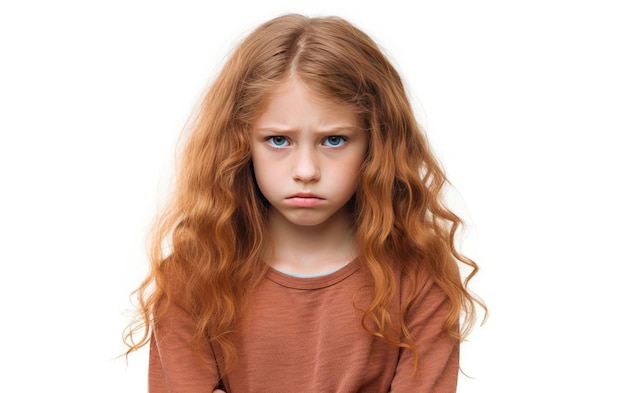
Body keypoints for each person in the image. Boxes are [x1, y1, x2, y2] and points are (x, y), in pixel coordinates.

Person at [124, 13, 486, 392]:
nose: (306, 170)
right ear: (239, 142)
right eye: (278, 140)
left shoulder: (417, 280)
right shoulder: (192, 278)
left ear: (376, 144)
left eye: (334, 140)